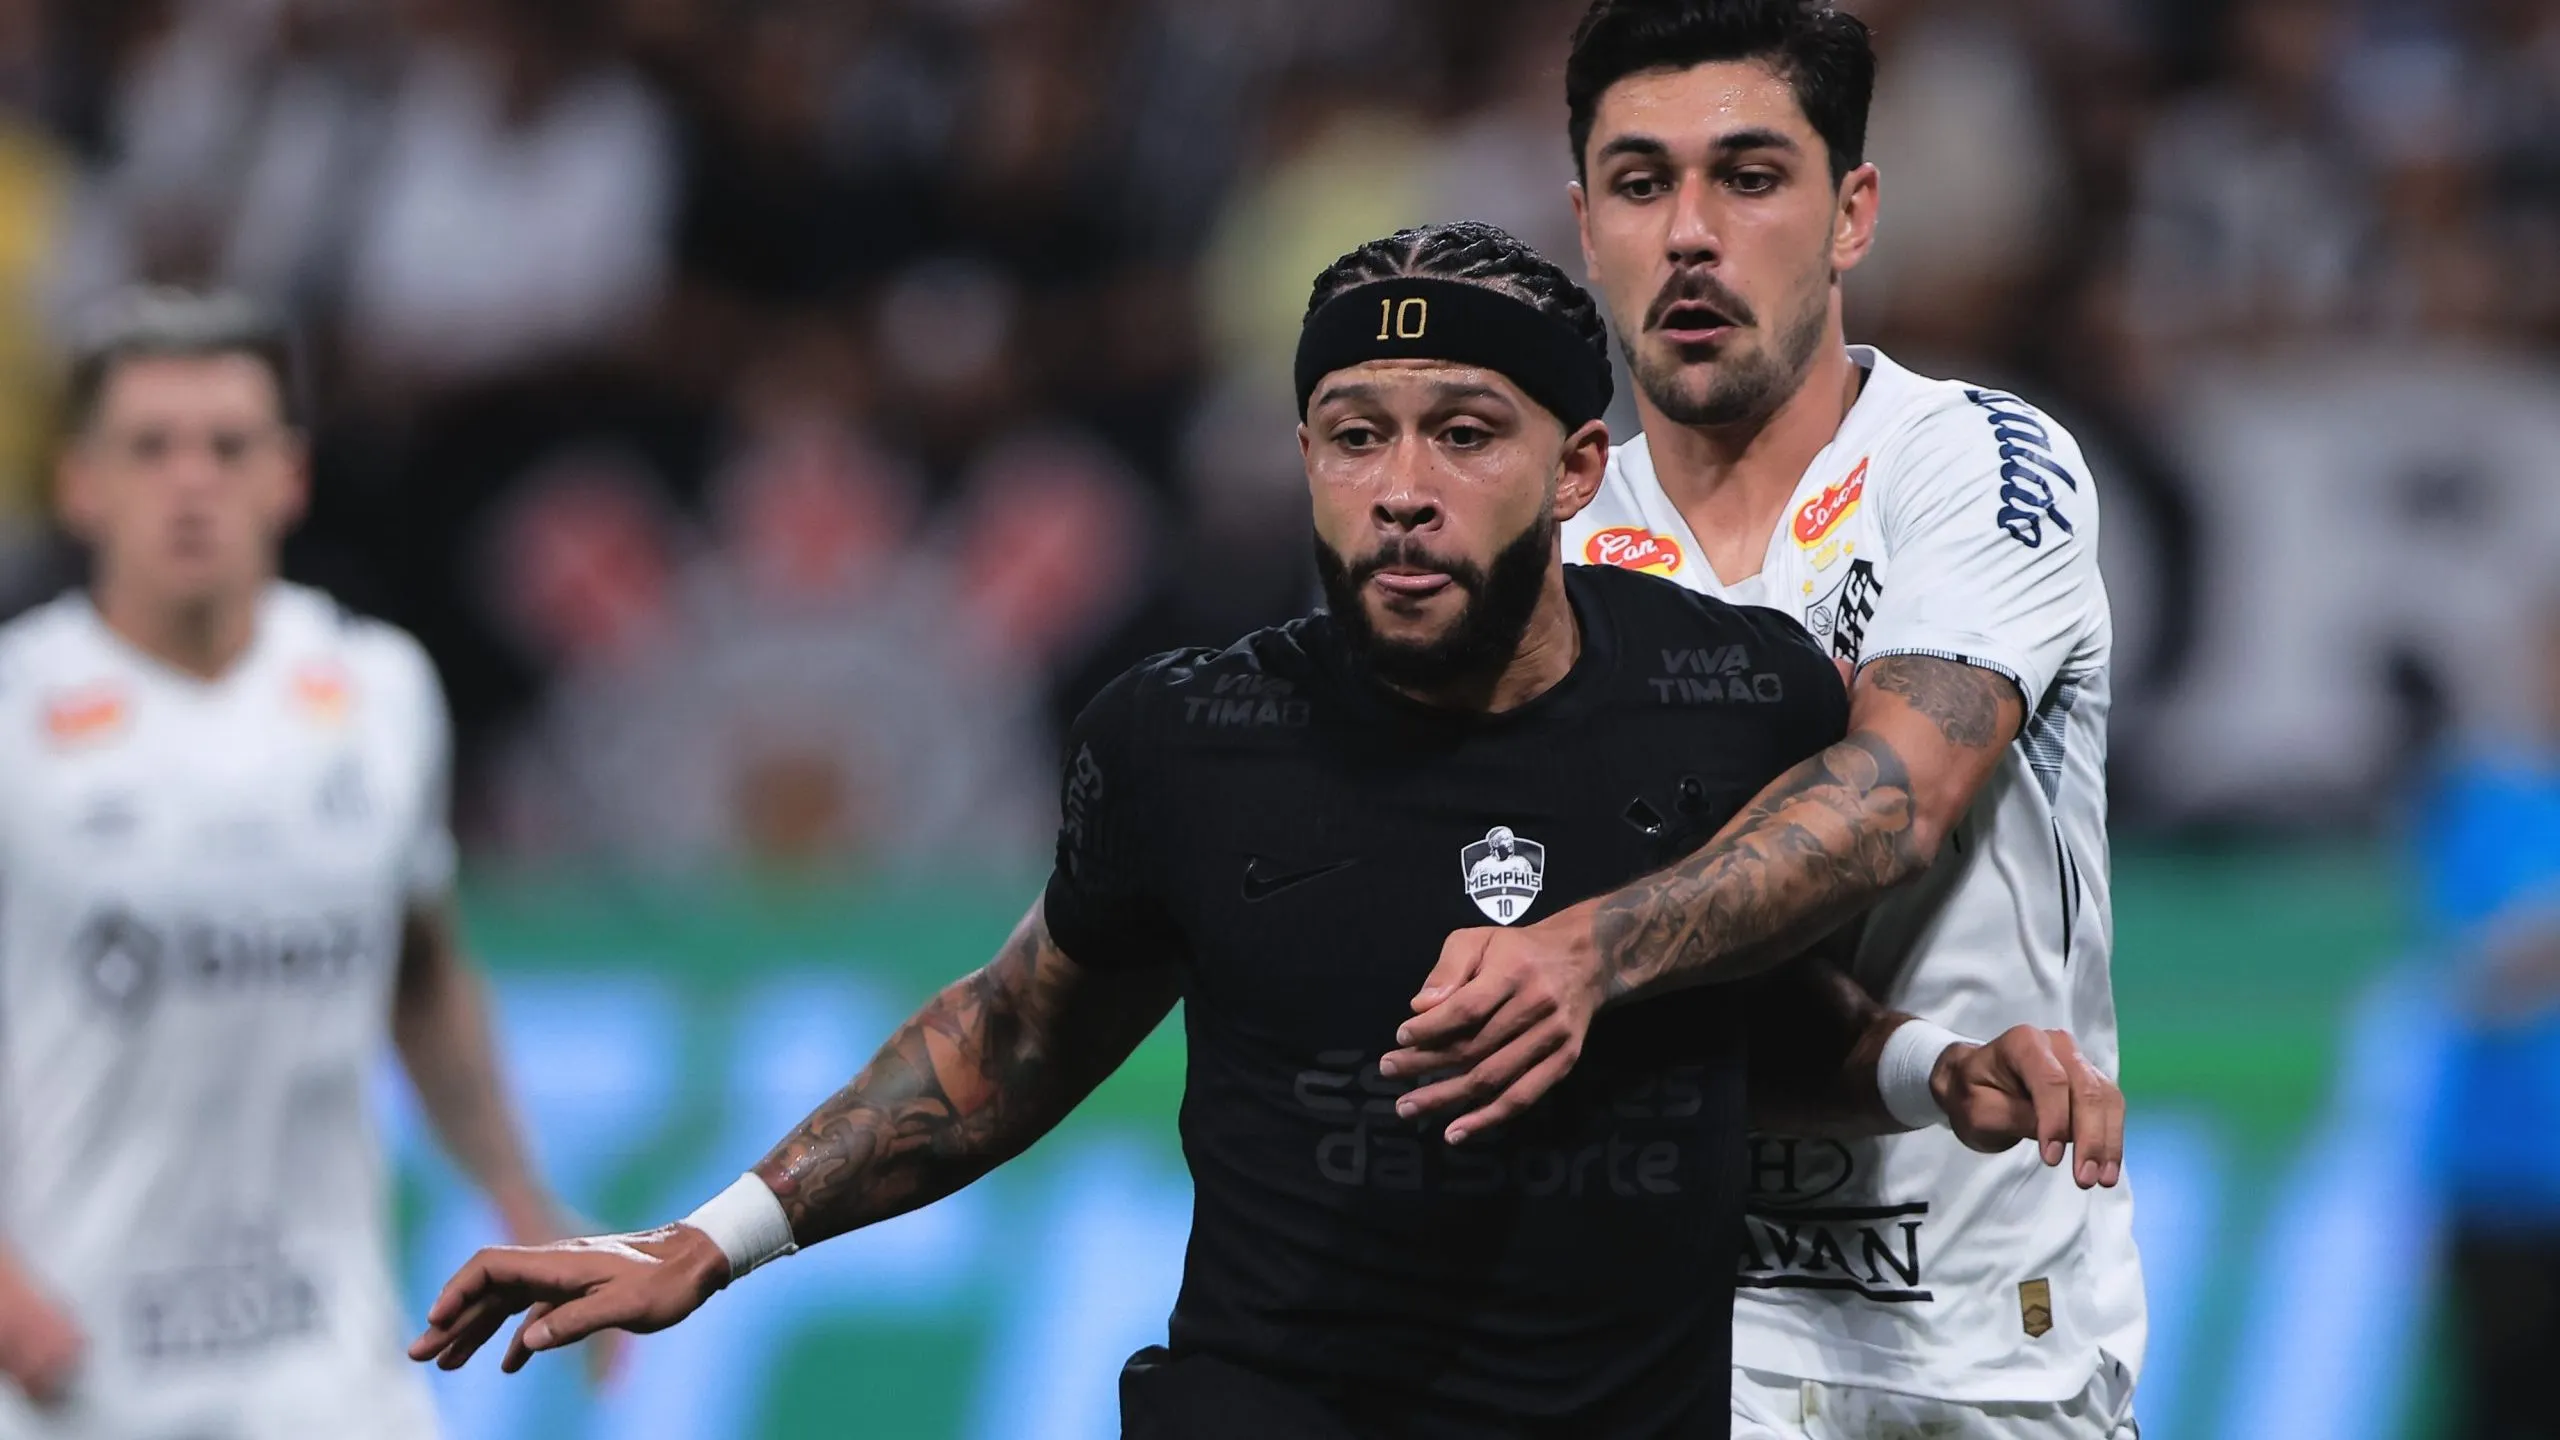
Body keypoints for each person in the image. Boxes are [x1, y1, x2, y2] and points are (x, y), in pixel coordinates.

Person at [405, 223, 2122, 1437]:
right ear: (1304, 456)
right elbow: (1012, 1034)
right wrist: (707, 1241)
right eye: (1355, 437)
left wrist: (1932, 1071)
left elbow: (1740, 1019)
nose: (1402, 490)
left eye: (1465, 435)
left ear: (1577, 466)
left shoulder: (1734, 698)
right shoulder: (1183, 739)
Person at [1378, 4, 2144, 1436]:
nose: (1689, 233)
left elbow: (1892, 806)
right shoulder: (1534, 552)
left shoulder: (1975, 463)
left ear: (1852, 213)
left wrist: (1590, 949)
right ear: (1584, 225)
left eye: (1747, 177)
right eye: (1638, 183)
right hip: (1662, 1345)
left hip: (1982, 1351)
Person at [0, 291, 601, 1438]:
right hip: (74, 1367)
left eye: (228, 447)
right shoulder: (17, 715)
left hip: (327, 1369)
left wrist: (517, 1188)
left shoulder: (378, 694)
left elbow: (420, 970)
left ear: (290, 477)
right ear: (80, 483)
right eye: (150, 447)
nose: (191, 482)